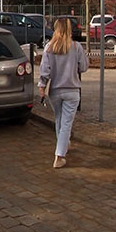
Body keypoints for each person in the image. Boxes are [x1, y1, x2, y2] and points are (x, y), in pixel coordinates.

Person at [38, 17, 89, 169]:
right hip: (72, 90)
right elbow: (84, 67)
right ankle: (59, 156)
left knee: (60, 120)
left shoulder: (49, 47)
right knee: (66, 123)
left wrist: (41, 86)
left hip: (55, 90)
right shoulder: (76, 47)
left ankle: (64, 145)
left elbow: (44, 70)